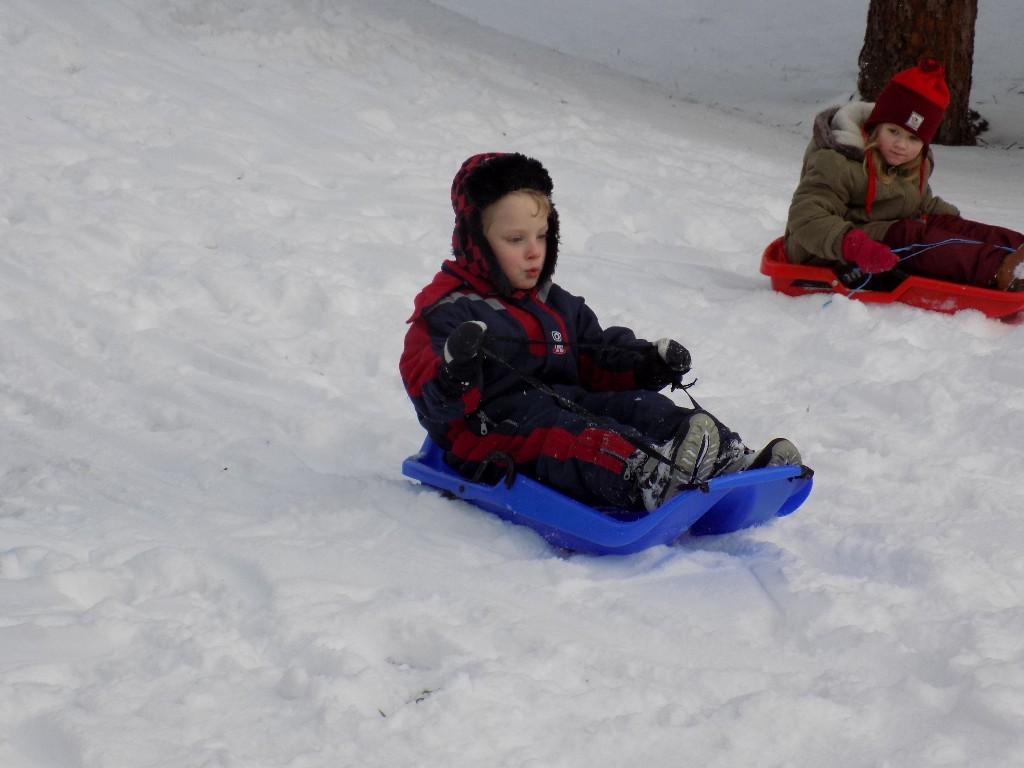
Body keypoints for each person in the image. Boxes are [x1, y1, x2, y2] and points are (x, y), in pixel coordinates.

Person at [400, 152, 802, 514]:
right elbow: (430, 393)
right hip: (492, 433)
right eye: (515, 239)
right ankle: (645, 476)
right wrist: (455, 370)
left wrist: (645, 363)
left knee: (639, 408)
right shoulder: (448, 310)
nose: (534, 251)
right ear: (475, 242)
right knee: (574, 437)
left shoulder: (553, 303)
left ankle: (728, 459)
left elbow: (595, 356)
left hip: (565, 404)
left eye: (541, 236)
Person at [784, 58, 1024, 291]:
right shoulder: (838, 162)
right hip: (824, 250)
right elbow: (806, 216)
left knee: (942, 224)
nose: (901, 145)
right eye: (893, 131)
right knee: (910, 236)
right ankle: (1001, 271)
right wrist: (854, 245)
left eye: (913, 138)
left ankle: (1018, 250)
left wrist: (957, 227)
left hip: (880, 234)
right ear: (876, 124)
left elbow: (918, 204)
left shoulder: (913, 163)